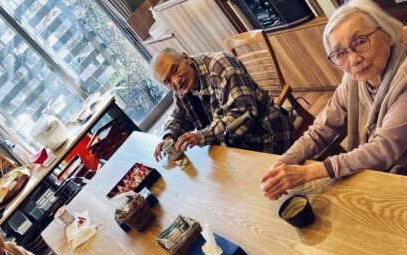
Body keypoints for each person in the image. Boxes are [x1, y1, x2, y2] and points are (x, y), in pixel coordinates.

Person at [260, 0, 406, 200]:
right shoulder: (352, 81)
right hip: (374, 174)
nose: (353, 60)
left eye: (360, 42)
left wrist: (308, 173)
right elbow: (321, 130)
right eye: (340, 53)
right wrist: (283, 162)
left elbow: (384, 148)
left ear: (387, 34)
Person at [151, 48, 296, 159]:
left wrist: (202, 135)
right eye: (168, 81)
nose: (176, 81)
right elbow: (180, 117)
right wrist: (169, 137)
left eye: (175, 70)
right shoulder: (181, 88)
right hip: (231, 147)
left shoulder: (221, 67)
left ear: (186, 58)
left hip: (265, 136)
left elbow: (244, 113)